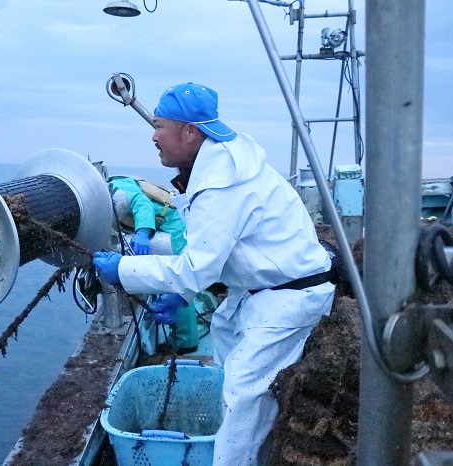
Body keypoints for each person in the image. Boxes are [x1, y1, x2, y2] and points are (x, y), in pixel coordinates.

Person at [93, 82, 335, 465]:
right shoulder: (220, 164)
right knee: (235, 364)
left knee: (242, 397)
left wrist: (122, 268)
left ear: (190, 132)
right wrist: (181, 296)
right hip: (262, 290)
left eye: (159, 126)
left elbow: (195, 266)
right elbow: (215, 251)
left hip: (287, 300)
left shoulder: (222, 183)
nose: (153, 136)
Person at [108, 176, 198, 354]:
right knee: (169, 280)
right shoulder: (111, 187)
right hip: (163, 222)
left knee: (179, 281)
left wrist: (142, 232)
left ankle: (186, 341)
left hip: (172, 222)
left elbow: (142, 204)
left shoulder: (115, 187)